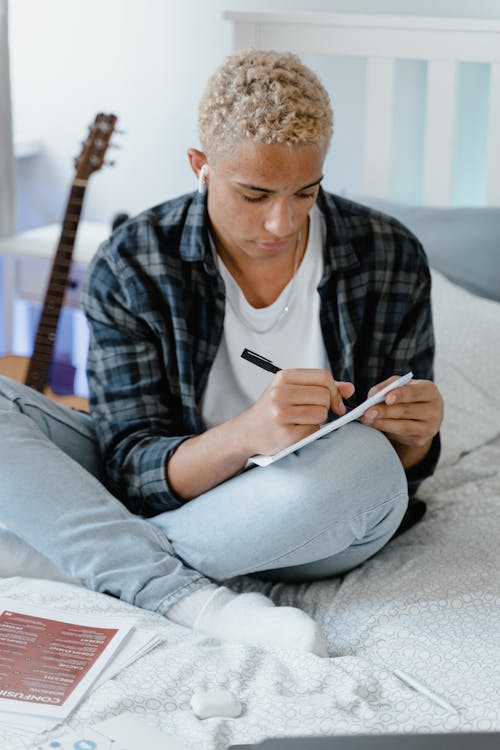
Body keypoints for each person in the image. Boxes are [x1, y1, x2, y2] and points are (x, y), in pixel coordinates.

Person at [0, 50, 443, 657]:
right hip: (178, 484)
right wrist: (247, 434)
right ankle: (190, 597)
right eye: (255, 194)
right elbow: (130, 465)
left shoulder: (390, 254)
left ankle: (78, 551)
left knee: (366, 464)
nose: (281, 223)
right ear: (200, 166)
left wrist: (416, 434)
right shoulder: (133, 261)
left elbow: (402, 467)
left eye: (305, 193)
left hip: (309, 513)